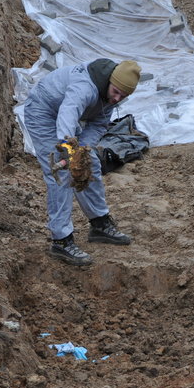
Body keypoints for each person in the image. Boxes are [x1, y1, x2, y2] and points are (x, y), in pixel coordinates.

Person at [23, 58, 141, 266]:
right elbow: (68, 113)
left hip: (63, 115)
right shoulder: (85, 87)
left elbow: (99, 124)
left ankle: (100, 223)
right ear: (109, 82)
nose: (117, 98)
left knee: (89, 162)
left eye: (123, 96)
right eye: (116, 92)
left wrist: (82, 151)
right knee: (61, 174)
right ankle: (61, 240)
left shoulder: (111, 94)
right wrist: (68, 148)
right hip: (43, 111)